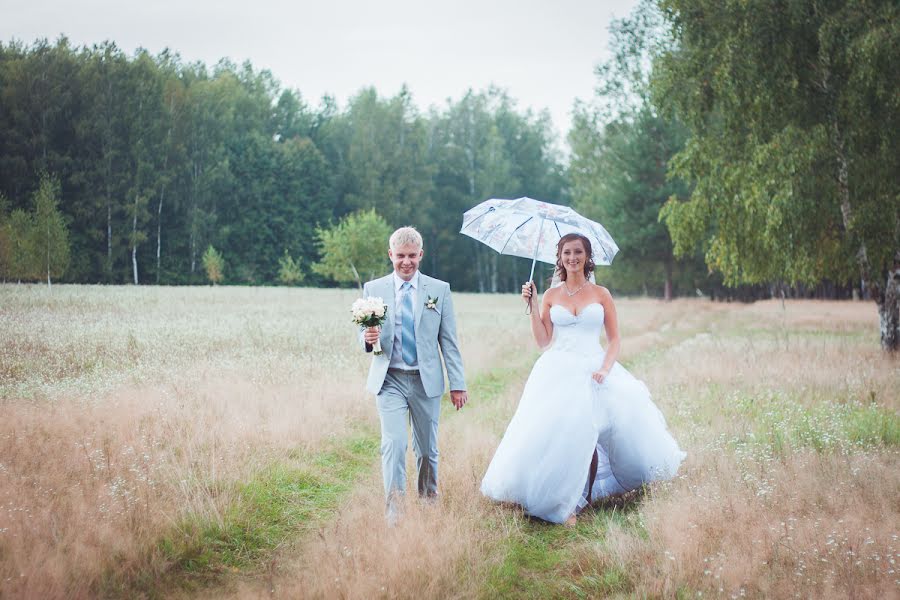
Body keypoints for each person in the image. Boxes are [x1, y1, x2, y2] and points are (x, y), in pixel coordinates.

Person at [480, 232, 685, 525]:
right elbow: (542, 341)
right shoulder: (551, 295)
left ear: (588, 257)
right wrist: (533, 304)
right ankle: (564, 501)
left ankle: (584, 497)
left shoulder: (601, 294)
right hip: (557, 370)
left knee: (592, 433)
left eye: (578, 252)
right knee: (563, 435)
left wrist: (605, 367)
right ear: (560, 258)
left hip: (594, 369)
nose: (572, 258)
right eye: (567, 253)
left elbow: (614, 340)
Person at [361, 226, 468, 523]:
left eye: (412, 256)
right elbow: (364, 335)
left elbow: (449, 341)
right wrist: (367, 339)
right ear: (390, 255)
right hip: (390, 379)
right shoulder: (374, 289)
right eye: (400, 256)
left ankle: (428, 504)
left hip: (425, 380)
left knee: (426, 451)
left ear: (421, 255)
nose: (406, 262)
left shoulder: (439, 290)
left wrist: (457, 384)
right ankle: (394, 514)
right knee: (393, 445)